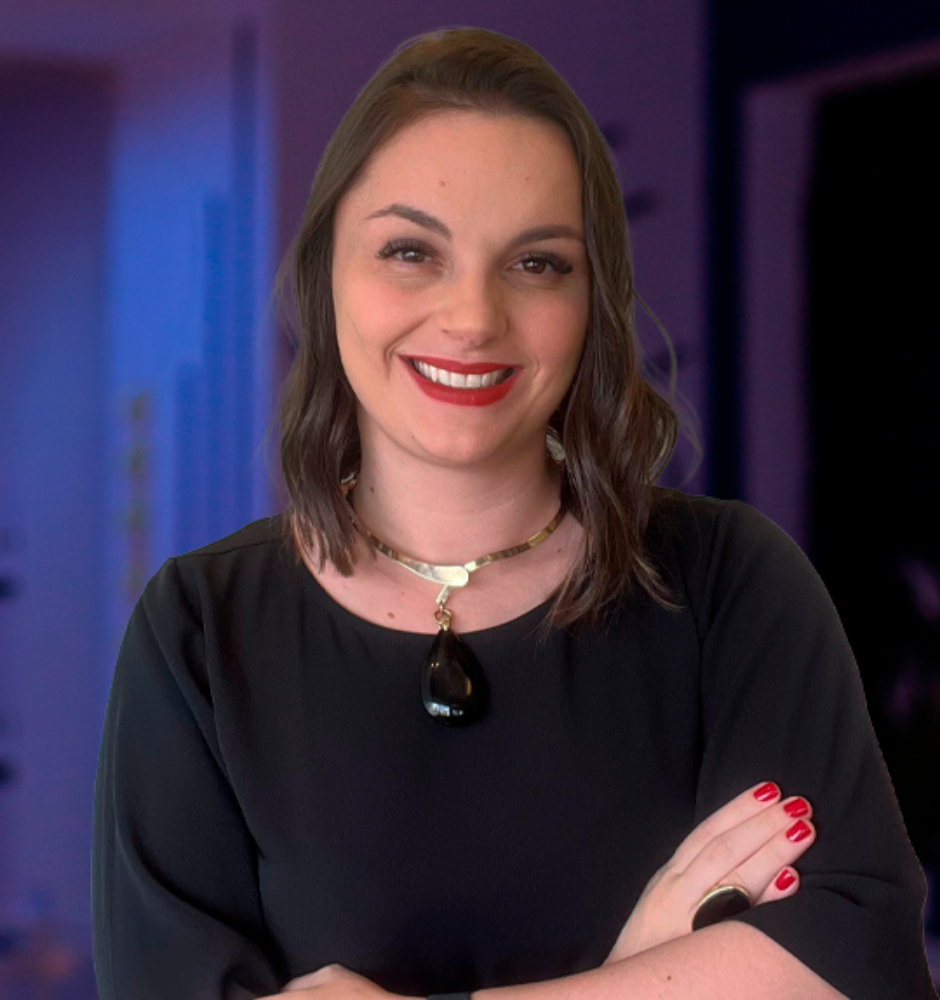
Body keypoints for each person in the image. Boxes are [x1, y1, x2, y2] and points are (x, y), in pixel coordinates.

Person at [91, 26, 937, 1000]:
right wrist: (637, 977)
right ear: (326, 272)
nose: (473, 318)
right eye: (411, 251)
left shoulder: (729, 584)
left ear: (594, 297)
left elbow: (857, 966)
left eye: (536, 263)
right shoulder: (201, 634)